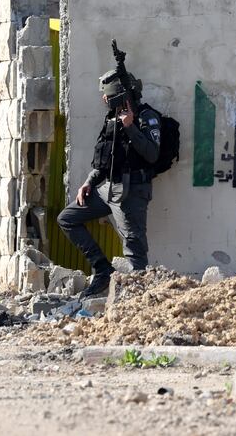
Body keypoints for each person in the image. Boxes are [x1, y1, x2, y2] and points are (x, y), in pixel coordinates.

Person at [57, 69, 161, 298]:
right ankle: (103, 270)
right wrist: (88, 182)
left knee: (133, 246)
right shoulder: (111, 119)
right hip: (108, 188)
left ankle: (138, 298)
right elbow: (105, 159)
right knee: (67, 218)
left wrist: (130, 126)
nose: (104, 100)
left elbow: (152, 154)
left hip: (132, 190)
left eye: (108, 96)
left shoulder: (147, 117)